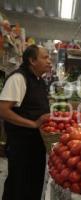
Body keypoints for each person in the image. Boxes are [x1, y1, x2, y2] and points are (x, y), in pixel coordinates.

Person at [0, 45, 51, 200]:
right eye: (45, 57)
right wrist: (34, 124)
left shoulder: (39, 80)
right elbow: (3, 110)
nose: (49, 61)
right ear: (32, 60)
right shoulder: (19, 78)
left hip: (36, 144)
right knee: (19, 185)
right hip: (22, 144)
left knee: (33, 184)